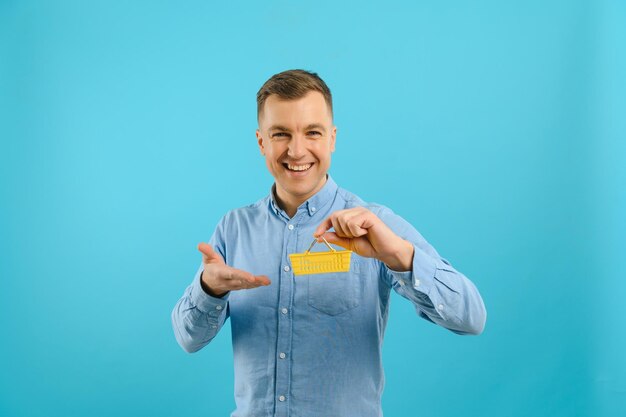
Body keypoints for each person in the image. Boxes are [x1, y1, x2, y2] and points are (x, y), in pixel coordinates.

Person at [171, 69, 487, 417]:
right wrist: (208, 289)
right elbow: (188, 339)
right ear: (261, 141)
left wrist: (399, 255)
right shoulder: (233, 229)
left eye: (312, 132)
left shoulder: (375, 224)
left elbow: (471, 318)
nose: (296, 149)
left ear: (332, 138)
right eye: (281, 134)